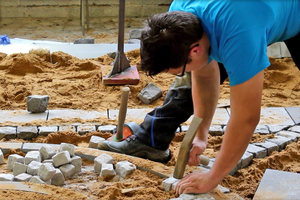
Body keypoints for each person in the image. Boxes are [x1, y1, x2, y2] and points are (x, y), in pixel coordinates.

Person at [99, 0, 300, 195]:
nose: (180, 77)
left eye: (179, 72)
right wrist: (201, 134)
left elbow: (246, 118)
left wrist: (212, 177)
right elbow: (204, 75)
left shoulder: (240, 38)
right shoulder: (177, 15)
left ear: (195, 50)